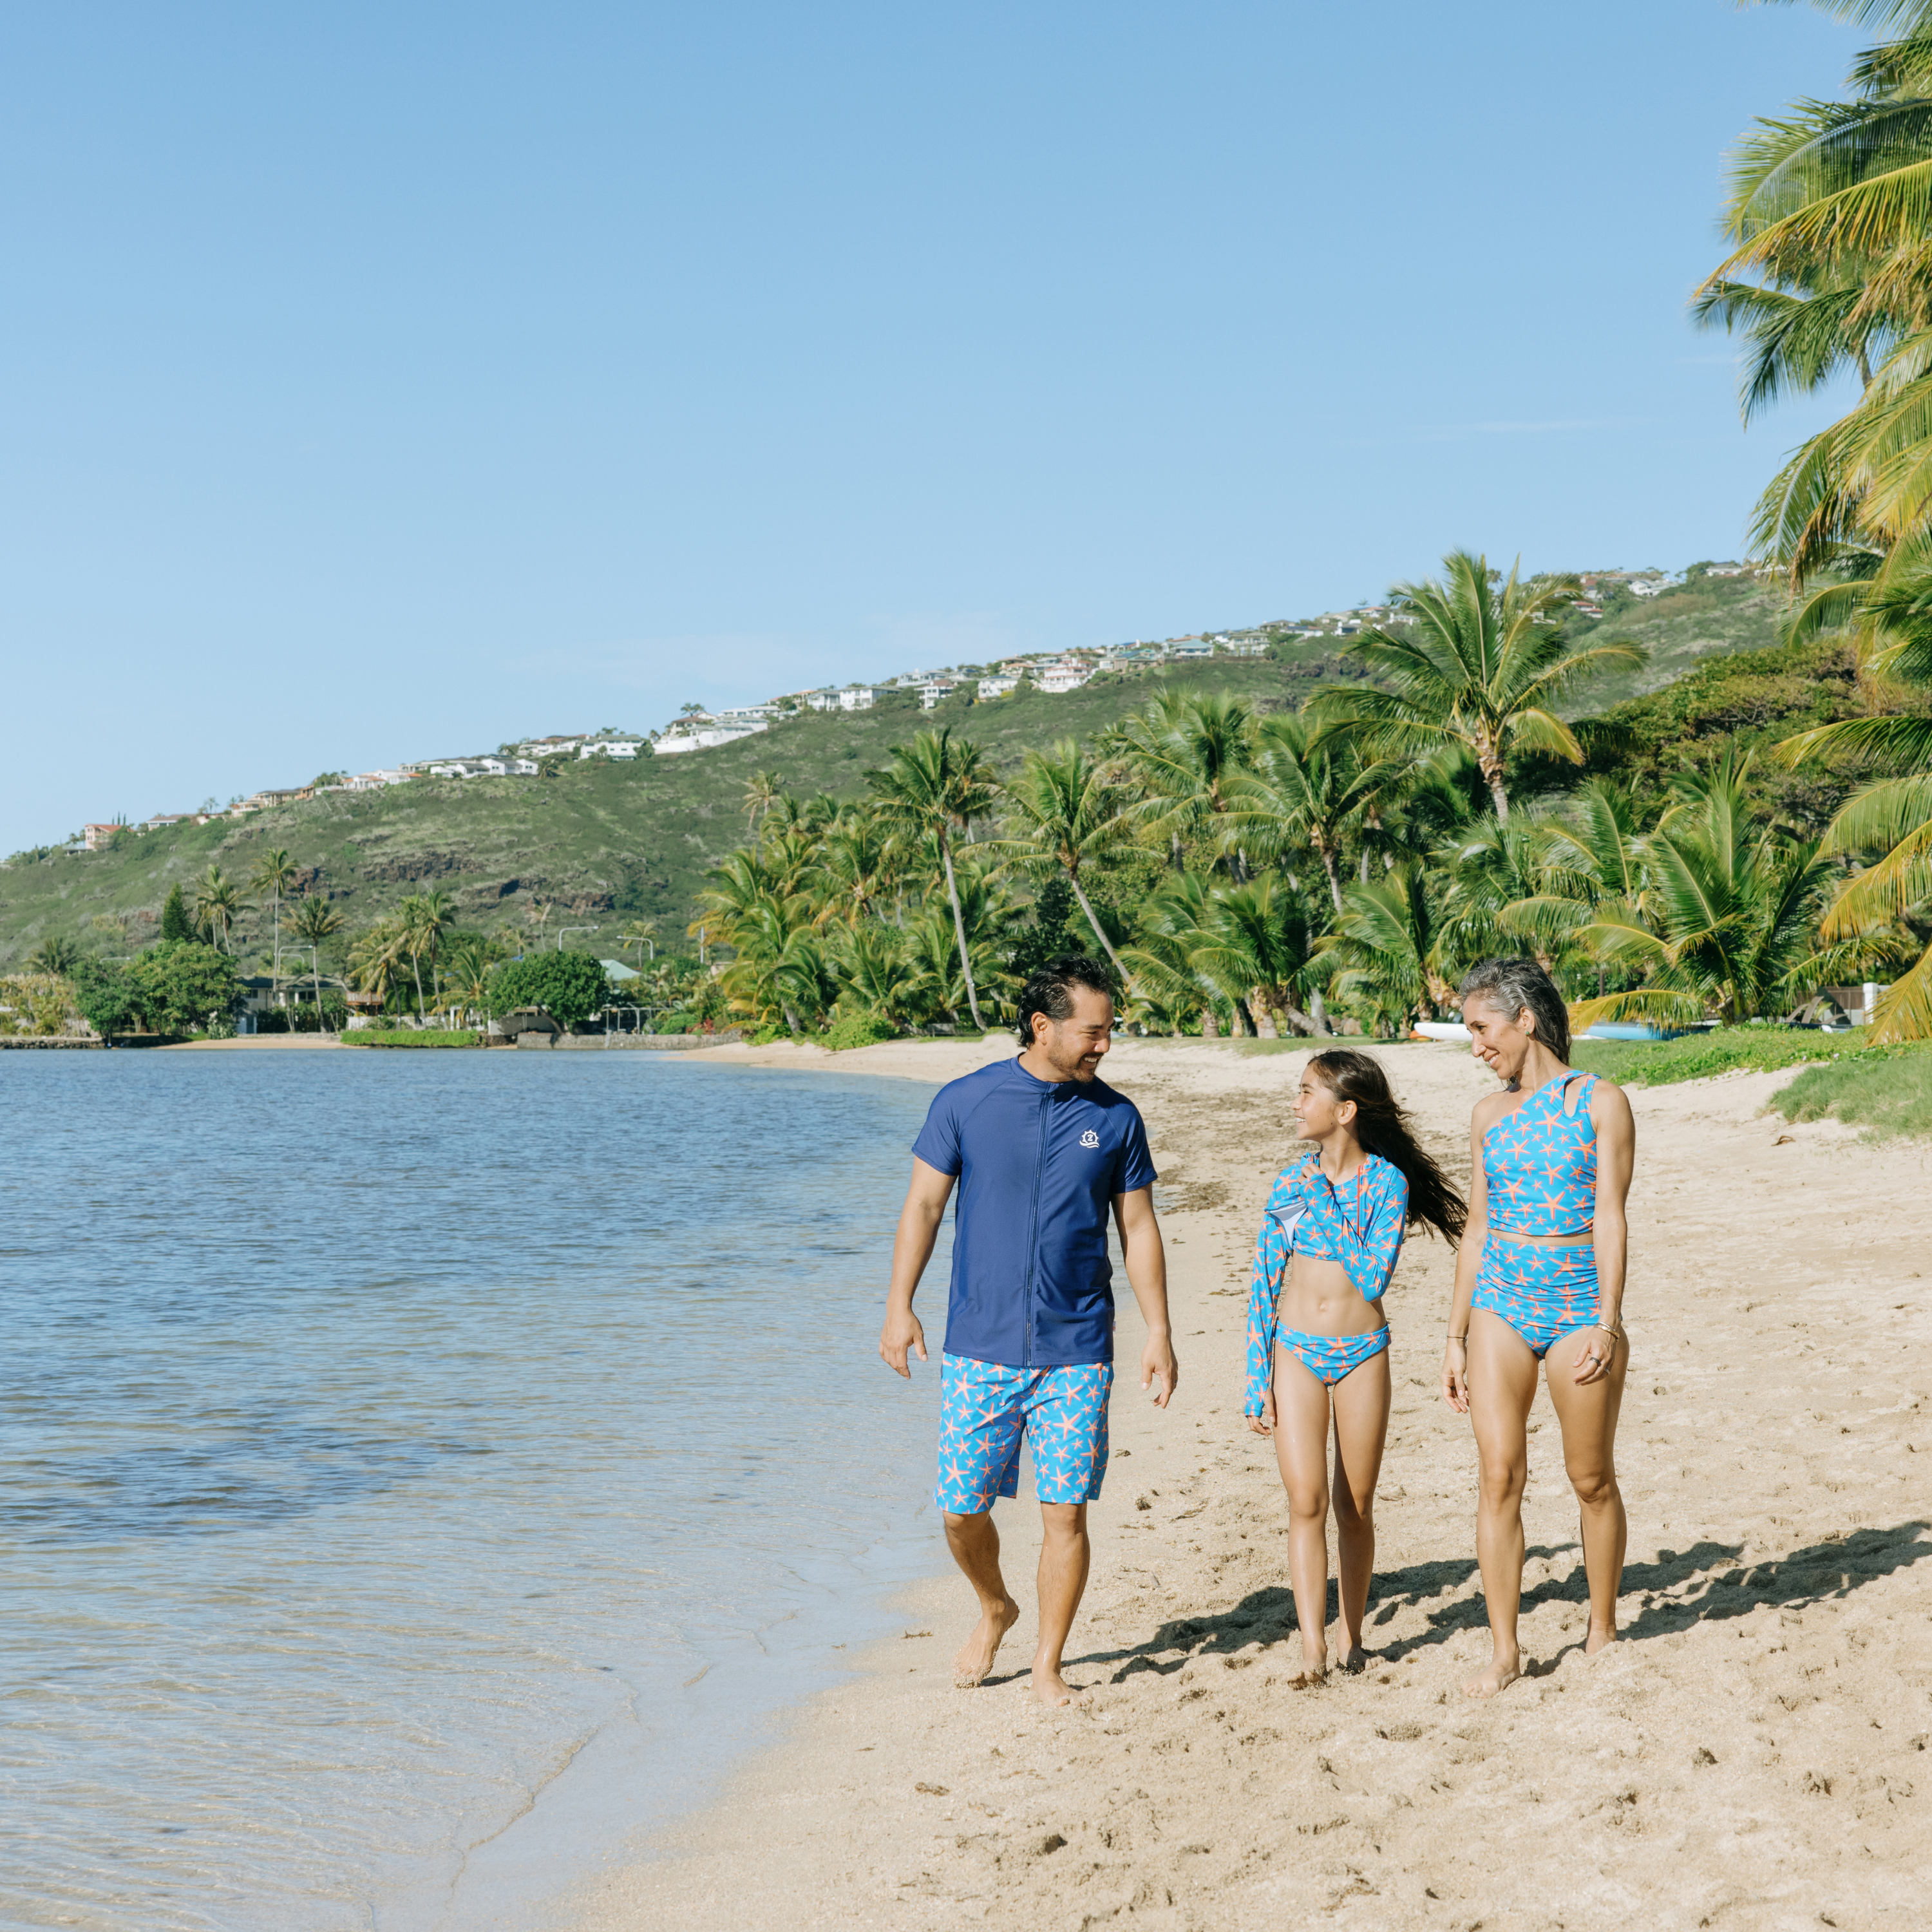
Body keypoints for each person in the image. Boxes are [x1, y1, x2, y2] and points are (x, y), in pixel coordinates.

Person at [878, 956, 1178, 1706]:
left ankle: (1048, 1664)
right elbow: (923, 1208)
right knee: (960, 1509)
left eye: (1109, 1031)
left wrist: (1159, 1331)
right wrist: (899, 1305)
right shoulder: (966, 1101)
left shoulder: (1116, 1118)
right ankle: (994, 1607)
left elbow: (1139, 1229)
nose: (1105, 1045)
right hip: (979, 1344)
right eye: (1092, 1032)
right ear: (1043, 1027)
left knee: (1065, 1513)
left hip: (1077, 1347)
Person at [1442, 956, 1636, 1699]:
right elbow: (1477, 1228)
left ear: (1525, 1019)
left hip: (1579, 1306)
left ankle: (1602, 1627)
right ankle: (1505, 1650)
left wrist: (1607, 1323)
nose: (1476, 1047)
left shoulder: (1601, 1102)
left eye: (1482, 1028)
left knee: (1591, 1478)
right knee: (1499, 1475)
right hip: (1501, 1302)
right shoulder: (1487, 1116)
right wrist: (1456, 1335)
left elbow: (1611, 1217)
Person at [1244, 1050, 1465, 1681]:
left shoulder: (1387, 1184)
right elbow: (1265, 1278)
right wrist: (1257, 1378)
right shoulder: (1289, 1184)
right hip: (1295, 1352)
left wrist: (1325, 1199)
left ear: (1344, 1111)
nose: (1295, 1104)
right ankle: (1312, 1647)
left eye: (1306, 1093)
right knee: (1306, 1501)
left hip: (1363, 1353)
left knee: (1355, 1506)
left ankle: (1352, 1636)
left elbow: (1371, 1277)